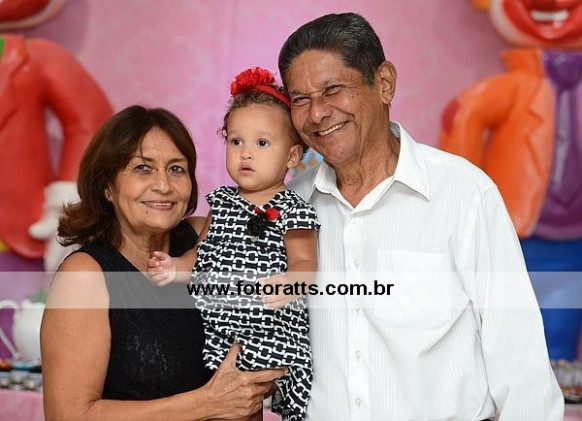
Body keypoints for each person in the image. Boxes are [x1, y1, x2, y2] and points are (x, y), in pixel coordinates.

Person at [278, 12, 564, 421]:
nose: (317, 113)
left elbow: (522, 368)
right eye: (300, 100)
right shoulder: (290, 208)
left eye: (333, 90)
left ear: (384, 83)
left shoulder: (464, 194)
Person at [40, 105, 285, 421]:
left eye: (176, 169)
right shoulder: (86, 275)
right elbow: (69, 416)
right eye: (143, 168)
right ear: (107, 187)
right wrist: (207, 403)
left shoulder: (204, 238)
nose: (164, 185)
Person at [147, 68, 320, 421]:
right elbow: (202, 254)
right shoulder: (223, 203)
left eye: (262, 143)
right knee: (221, 401)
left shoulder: (293, 209)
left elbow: (306, 265)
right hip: (219, 329)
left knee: (246, 400)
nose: (246, 154)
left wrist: (290, 282)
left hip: (268, 328)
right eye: (236, 141)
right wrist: (176, 267)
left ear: (291, 157)